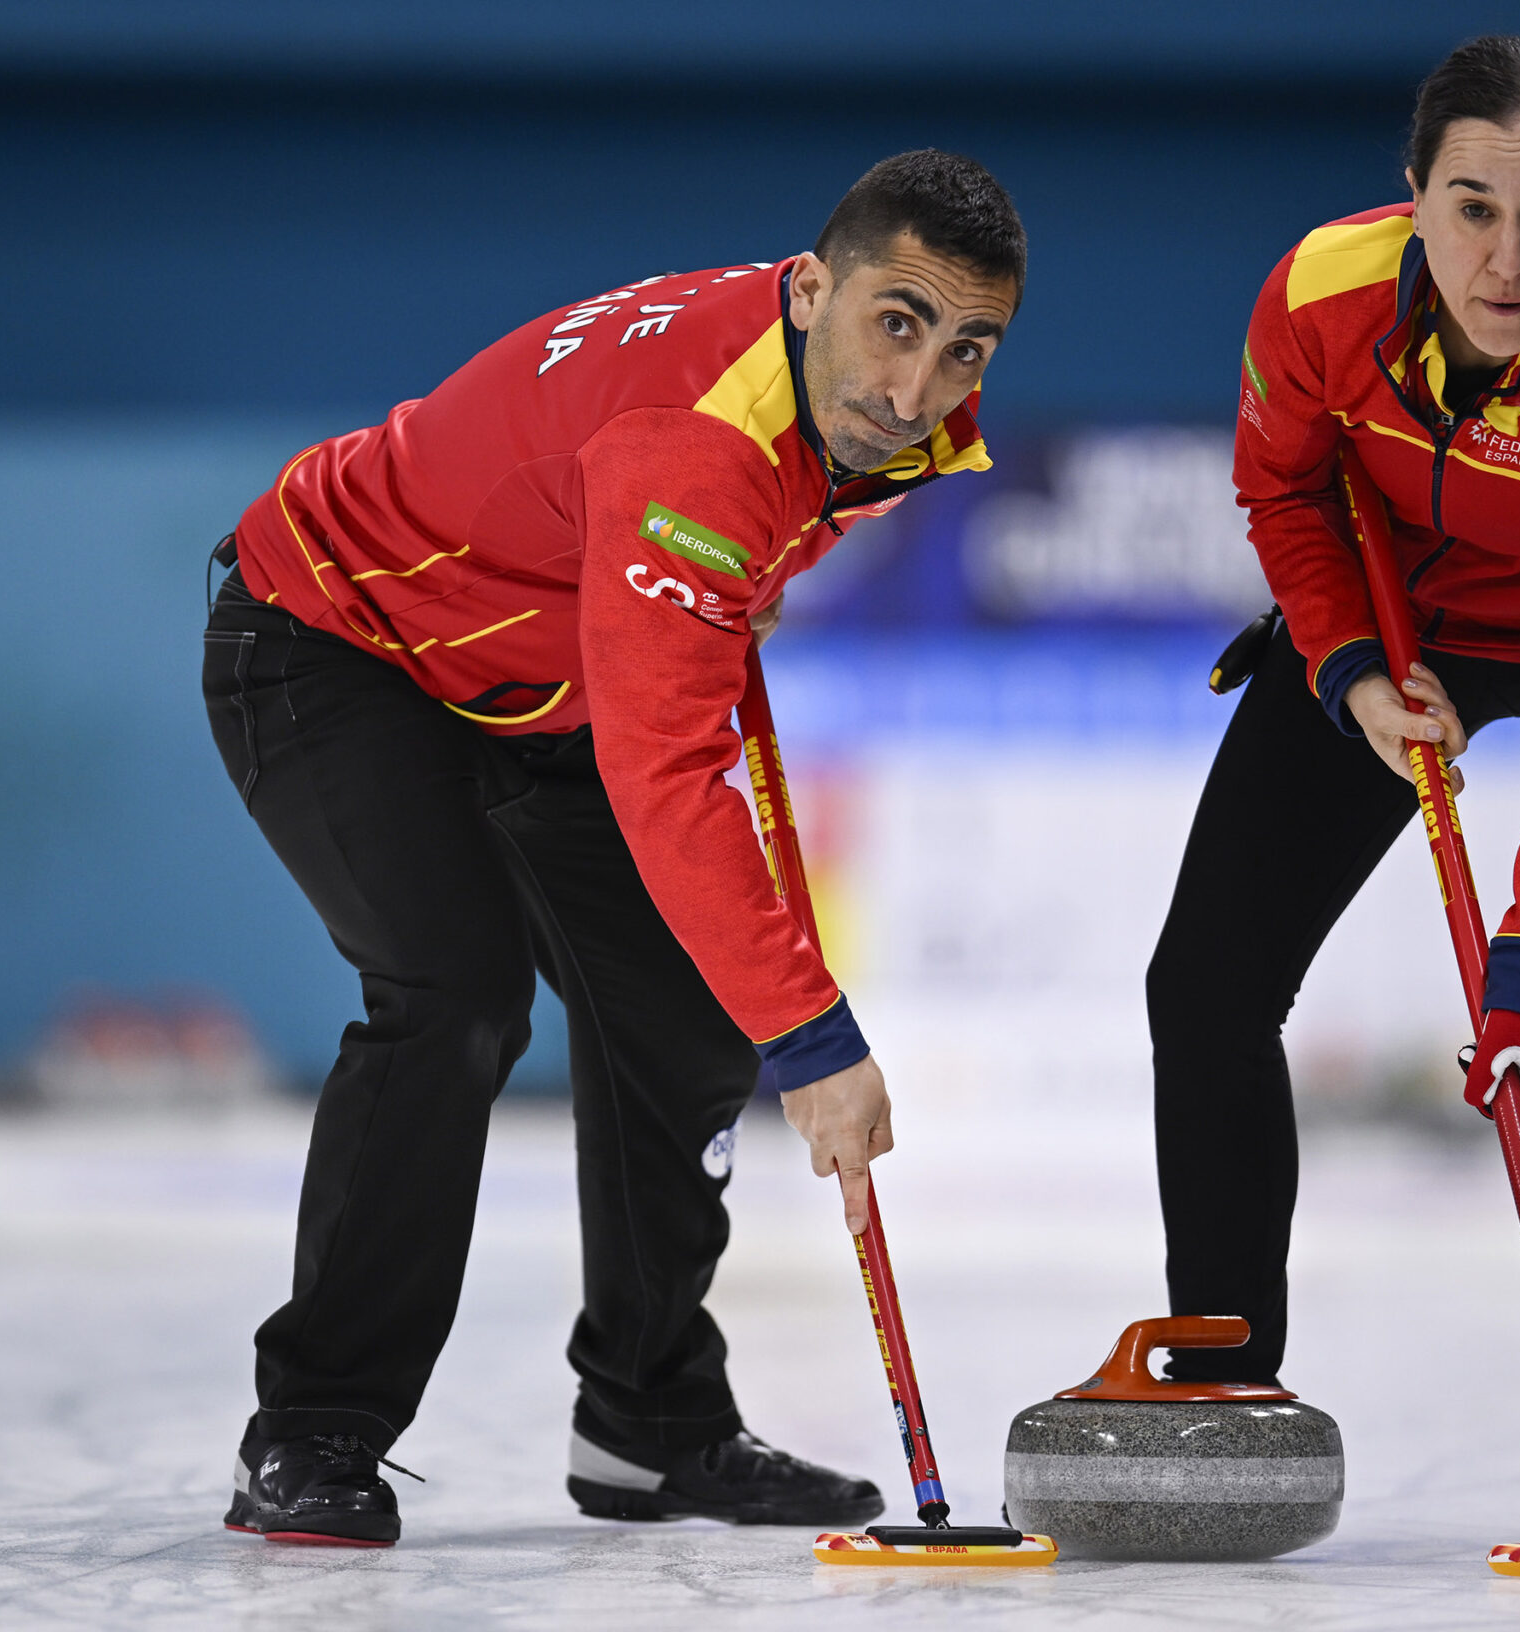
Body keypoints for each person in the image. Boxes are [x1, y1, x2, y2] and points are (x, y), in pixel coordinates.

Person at [202, 151, 1024, 1546]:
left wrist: (730, 588)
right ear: (813, 286)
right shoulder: (694, 444)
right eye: (897, 324)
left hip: (534, 668)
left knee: (684, 1017)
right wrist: (815, 1042)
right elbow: (665, 774)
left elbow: (724, 557)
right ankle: (314, 1428)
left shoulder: (861, 392)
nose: (916, 390)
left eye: (965, 349)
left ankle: (651, 1424)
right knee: (453, 997)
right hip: (332, 638)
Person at [1151, 36, 1520, 1542]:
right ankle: (1226, 1385)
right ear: (1412, 197)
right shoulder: (1316, 296)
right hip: (1403, 614)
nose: (1509, 254)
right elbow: (1282, 490)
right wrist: (1350, 666)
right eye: (1473, 206)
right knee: (1204, 984)